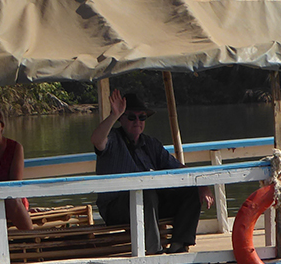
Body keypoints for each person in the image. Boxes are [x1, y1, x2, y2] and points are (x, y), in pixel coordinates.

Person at [91, 89, 213, 255]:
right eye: (132, 117)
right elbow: (97, 140)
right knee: (145, 192)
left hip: (151, 204)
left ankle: (179, 244)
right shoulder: (112, 139)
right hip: (117, 208)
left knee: (189, 189)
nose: (138, 122)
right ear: (121, 119)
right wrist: (113, 115)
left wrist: (202, 185)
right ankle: (154, 250)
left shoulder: (151, 144)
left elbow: (177, 168)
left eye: (142, 117)